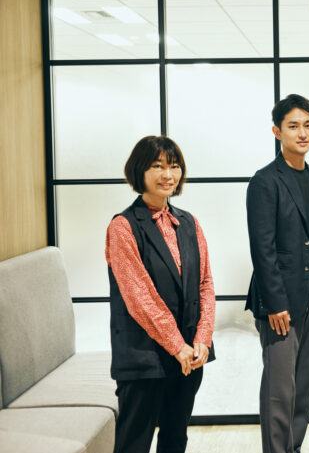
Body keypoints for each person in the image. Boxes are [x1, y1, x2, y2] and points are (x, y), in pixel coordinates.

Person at [105, 135, 215, 453]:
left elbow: (205, 284)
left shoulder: (189, 223)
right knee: (134, 443)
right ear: (139, 171)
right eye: (157, 166)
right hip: (143, 356)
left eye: (174, 166)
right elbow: (139, 297)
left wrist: (202, 339)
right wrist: (176, 345)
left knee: (175, 439)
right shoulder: (123, 226)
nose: (168, 175)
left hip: (189, 355)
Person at [245, 94, 309, 453]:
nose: (302, 133)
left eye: (308, 125)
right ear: (277, 131)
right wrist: (275, 303)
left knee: (301, 388)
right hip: (280, 303)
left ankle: (293, 448)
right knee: (279, 391)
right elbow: (263, 249)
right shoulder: (265, 181)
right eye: (293, 126)